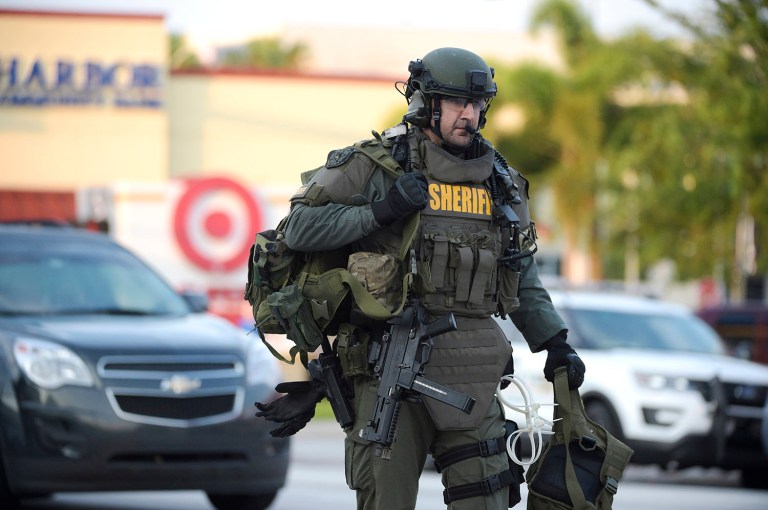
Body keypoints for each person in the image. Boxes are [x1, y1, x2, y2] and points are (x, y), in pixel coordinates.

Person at [255, 47, 585, 510]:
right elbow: (299, 228)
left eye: (476, 104)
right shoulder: (375, 164)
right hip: (391, 363)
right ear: (426, 103)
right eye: (456, 102)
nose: (468, 115)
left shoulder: (501, 181)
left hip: (473, 371)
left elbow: (519, 267)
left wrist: (555, 342)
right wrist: (380, 211)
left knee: (486, 501)